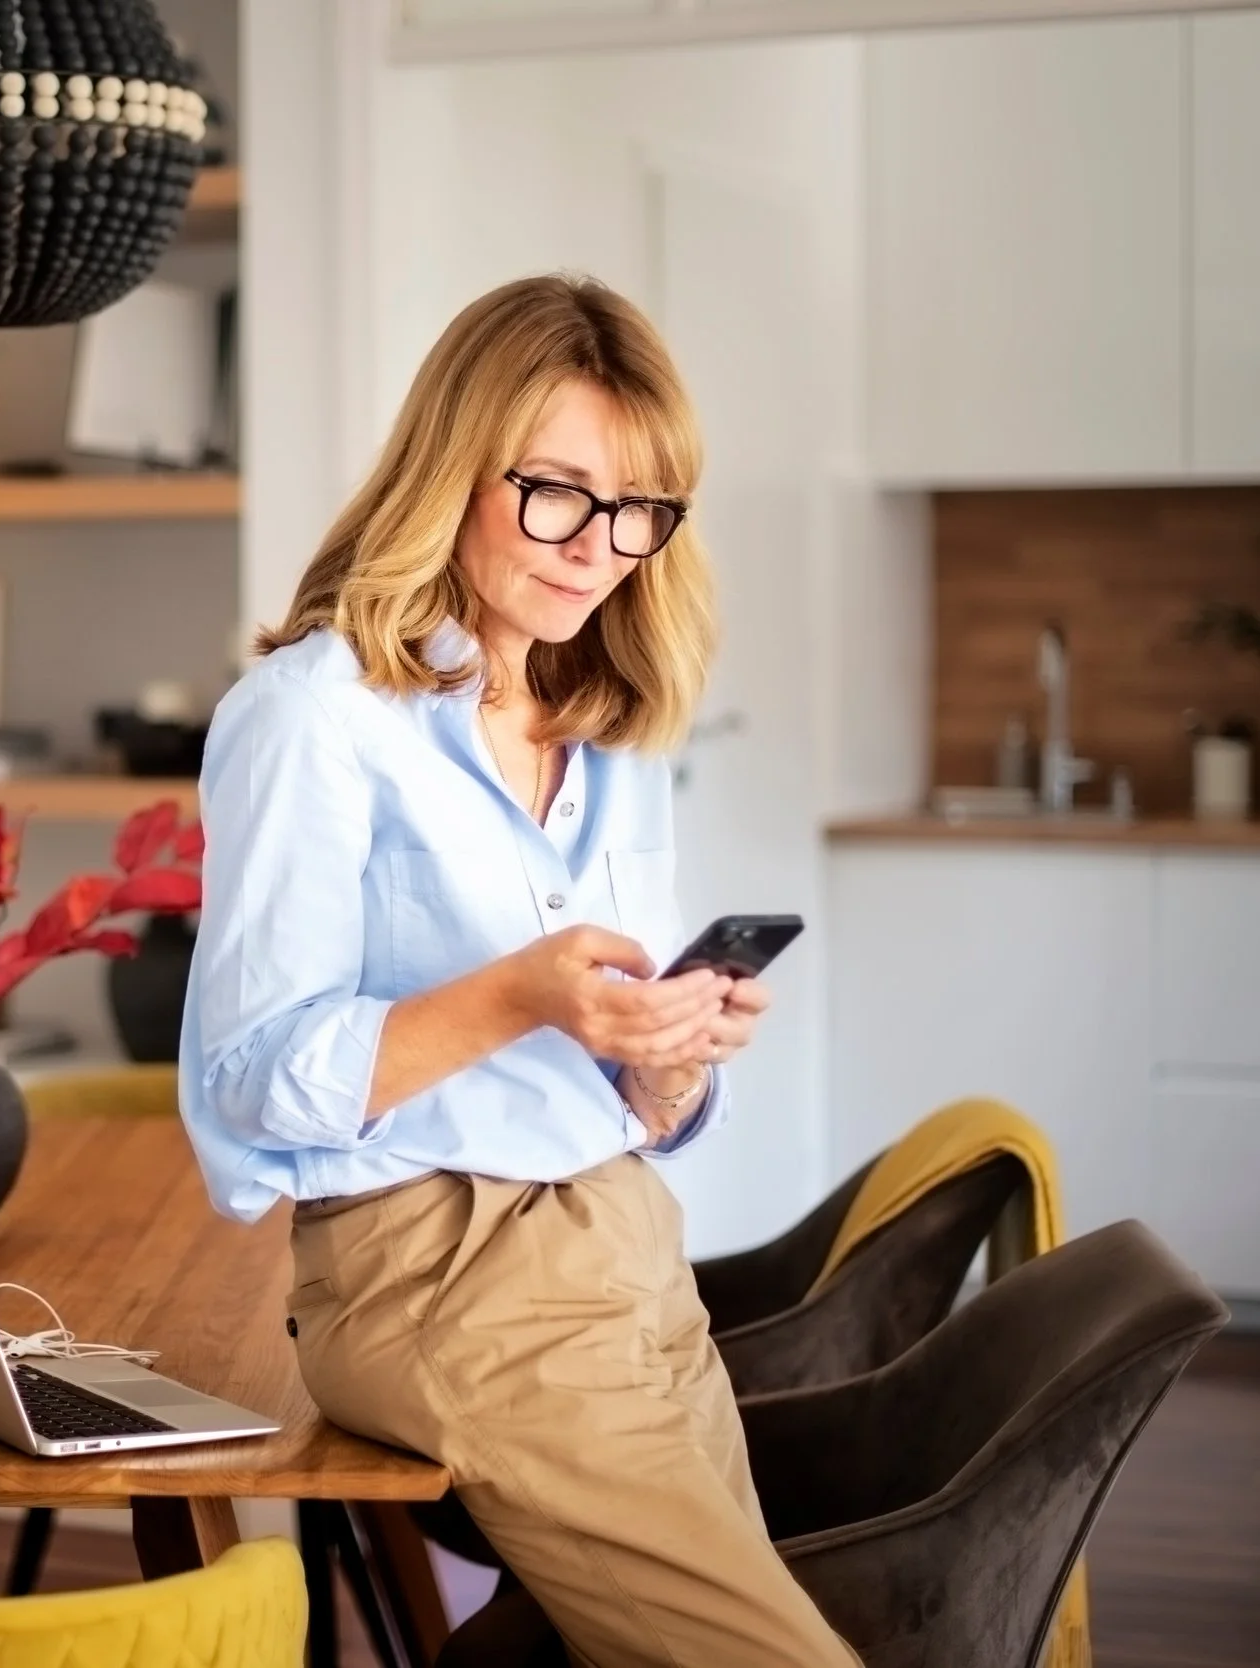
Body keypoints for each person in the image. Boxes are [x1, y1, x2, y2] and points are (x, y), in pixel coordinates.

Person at [181, 274, 856, 1666]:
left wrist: (663, 1059)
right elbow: (248, 1084)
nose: (599, 545)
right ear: (455, 467)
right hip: (436, 1273)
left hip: (625, 1247)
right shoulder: (315, 717)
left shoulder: (610, 726)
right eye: (555, 490)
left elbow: (620, 1098)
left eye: (636, 511)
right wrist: (522, 993)